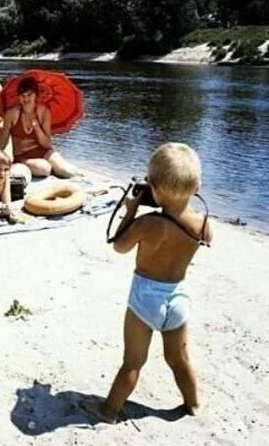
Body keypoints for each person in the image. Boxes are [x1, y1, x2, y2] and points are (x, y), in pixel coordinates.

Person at [84, 142, 213, 424]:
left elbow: (119, 246)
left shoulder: (148, 224)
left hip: (145, 298)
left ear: (152, 187)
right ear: (197, 185)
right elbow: (206, 240)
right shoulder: (203, 224)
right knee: (179, 359)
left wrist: (130, 210)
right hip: (178, 297)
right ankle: (193, 404)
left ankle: (108, 411)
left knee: (133, 362)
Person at [0, 76, 81, 178]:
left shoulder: (44, 112)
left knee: (68, 172)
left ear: (36, 95)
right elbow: (3, 141)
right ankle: (48, 169)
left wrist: (38, 129)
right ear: (19, 96)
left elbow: (47, 145)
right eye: (22, 95)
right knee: (44, 168)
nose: (26, 98)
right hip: (23, 158)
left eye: (29, 95)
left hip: (45, 153)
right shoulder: (12, 114)